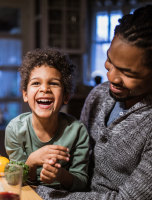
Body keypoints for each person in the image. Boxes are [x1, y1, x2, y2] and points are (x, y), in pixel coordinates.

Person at [36, 5, 152, 200]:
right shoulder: (98, 95)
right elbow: (80, 161)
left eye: (128, 73)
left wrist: (47, 195)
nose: (112, 77)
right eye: (110, 61)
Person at [5, 48, 89, 191]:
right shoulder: (15, 129)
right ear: (25, 94)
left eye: (54, 83)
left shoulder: (78, 131)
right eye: (36, 83)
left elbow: (81, 182)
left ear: (66, 96)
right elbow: (13, 180)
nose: (45, 89)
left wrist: (60, 175)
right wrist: (31, 162)